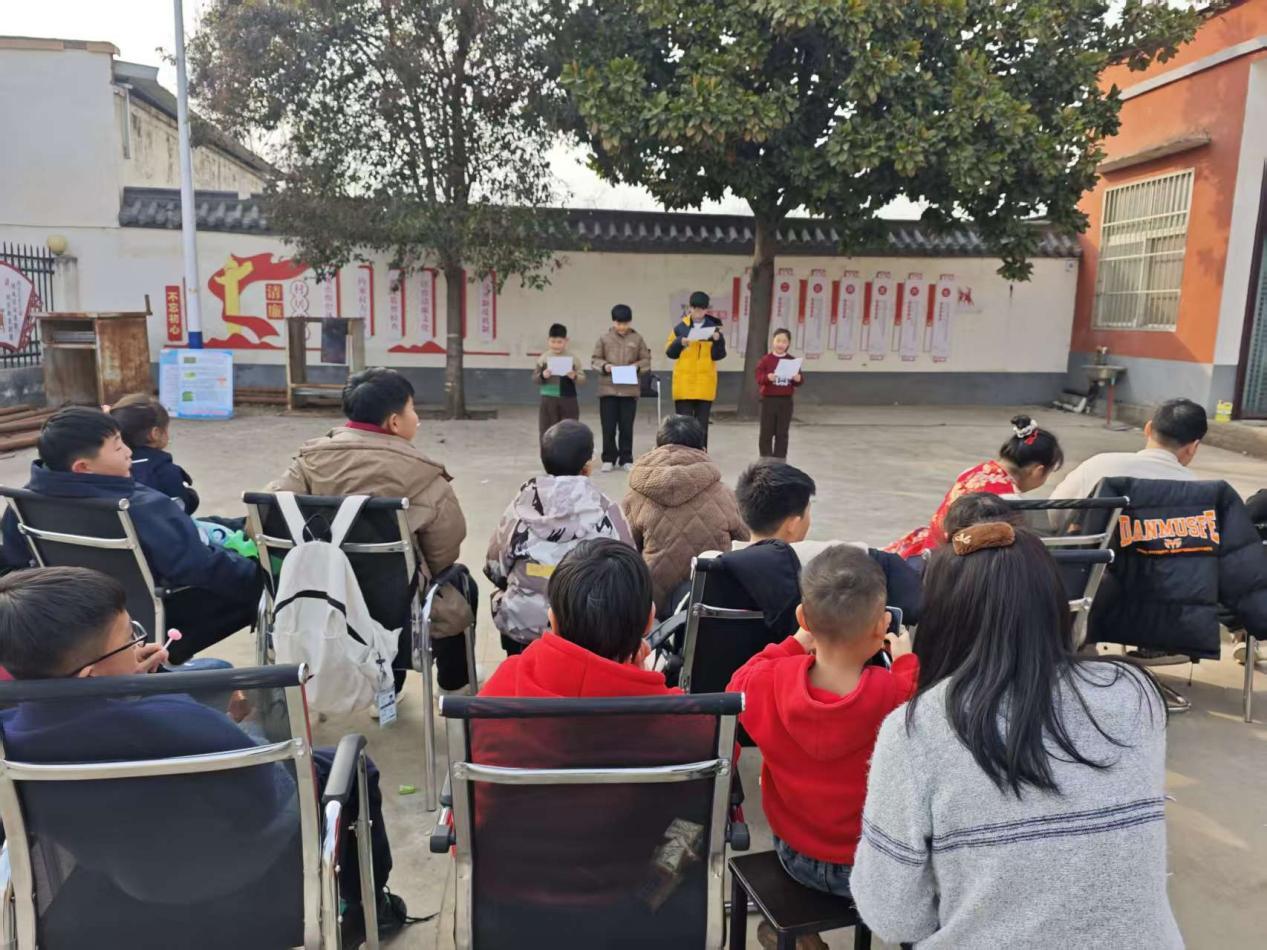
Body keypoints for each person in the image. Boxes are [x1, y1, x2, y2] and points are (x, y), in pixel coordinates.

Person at [0, 567, 407, 948]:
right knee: (349, 765)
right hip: (237, 877)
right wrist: (183, 700)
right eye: (128, 639)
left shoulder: (12, 740)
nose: (140, 645)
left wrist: (125, 686)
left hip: (119, 875)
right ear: (91, 674)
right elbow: (270, 794)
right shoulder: (176, 722)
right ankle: (370, 907)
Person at [852, 524, 1178, 949]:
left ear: (941, 617)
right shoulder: (1133, 694)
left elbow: (895, 918)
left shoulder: (917, 731)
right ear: (1053, 601)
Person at [729, 546, 917, 949]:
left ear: (803, 619)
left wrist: (795, 643)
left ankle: (804, 937)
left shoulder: (770, 683)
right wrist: (905, 661)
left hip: (795, 855)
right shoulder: (896, 694)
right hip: (871, 867)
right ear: (881, 626)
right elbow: (920, 711)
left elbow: (737, 684)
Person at [0, 407, 262, 664]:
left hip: (69, 625)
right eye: (117, 448)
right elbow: (198, 567)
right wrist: (260, 576)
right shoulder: (142, 506)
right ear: (83, 467)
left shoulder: (23, 504)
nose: (129, 452)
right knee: (259, 585)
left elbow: (15, 567)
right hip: (145, 623)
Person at [485, 420, 634, 655]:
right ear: (587, 467)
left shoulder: (519, 508)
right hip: (588, 633)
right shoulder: (608, 512)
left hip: (525, 630)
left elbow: (494, 569)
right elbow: (628, 573)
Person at [728, 461, 922, 635]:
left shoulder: (718, 566)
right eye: (807, 511)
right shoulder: (824, 559)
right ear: (793, 524)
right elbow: (910, 595)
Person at [885, 414, 1063, 559]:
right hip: (952, 562)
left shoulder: (975, 471)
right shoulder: (1009, 500)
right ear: (1038, 471)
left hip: (930, 544)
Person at [622, 415, 749, 615]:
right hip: (708, 602)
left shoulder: (635, 495)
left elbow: (625, 549)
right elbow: (745, 541)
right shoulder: (724, 494)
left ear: (656, 449)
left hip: (650, 603)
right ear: (703, 450)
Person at [1048, 397, 1207, 504]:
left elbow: (1054, 512)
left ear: (1148, 428)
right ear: (1193, 447)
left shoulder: (1100, 464)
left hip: (1101, 546)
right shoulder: (1195, 489)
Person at [109, 393, 198, 514]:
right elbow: (182, 509)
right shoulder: (165, 470)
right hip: (160, 525)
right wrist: (192, 497)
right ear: (155, 433)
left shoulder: (106, 467)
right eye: (166, 429)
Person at [592, 304, 652, 472]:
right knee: (608, 426)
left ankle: (626, 458)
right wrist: (605, 366)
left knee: (626, 426)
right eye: (619, 323)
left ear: (630, 322)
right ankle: (608, 458)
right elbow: (595, 360)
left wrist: (636, 367)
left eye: (625, 323)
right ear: (613, 321)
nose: (622, 327)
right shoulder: (604, 339)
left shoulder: (637, 339)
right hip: (608, 389)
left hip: (628, 390)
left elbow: (646, 361)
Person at [665, 291, 726, 448]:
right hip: (684, 384)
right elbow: (670, 353)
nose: (698, 312)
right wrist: (679, 342)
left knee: (701, 426)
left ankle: (701, 454)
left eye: (702, 309)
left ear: (707, 310)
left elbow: (718, 355)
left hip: (705, 384)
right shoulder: (680, 328)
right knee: (683, 426)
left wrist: (718, 341)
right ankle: (683, 454)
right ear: (690, 308)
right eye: (695, 308)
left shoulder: (714, 329)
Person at [755, 328, 804, 458]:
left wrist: (798, 379)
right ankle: (765, 458)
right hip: (768, 400)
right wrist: (768, 377)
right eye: (778, 340)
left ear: (788, 344)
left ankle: (780, 459)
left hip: (786, 401)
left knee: (782, 432)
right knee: (766, 431)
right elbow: (759, 378)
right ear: (773, 341)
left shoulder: (792, 361)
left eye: (784, 341)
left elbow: (799, 381)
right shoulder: (765, 360)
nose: (780, 344)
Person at [532, 322, 585, 438]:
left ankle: (569, 450)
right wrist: (543, 376)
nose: (556, 345)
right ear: (548, 340)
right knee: (547, 431)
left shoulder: (573, 358)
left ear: (566, 341)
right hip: (548, 399)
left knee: (569, 432)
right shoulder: (543, 358)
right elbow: (534, 379)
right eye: (553, 342)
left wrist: (574, 376)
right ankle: (547, 451)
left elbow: (583, 379)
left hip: (568, 399)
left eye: (559, 342)